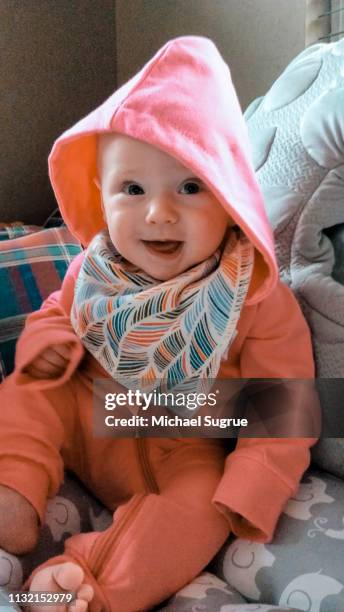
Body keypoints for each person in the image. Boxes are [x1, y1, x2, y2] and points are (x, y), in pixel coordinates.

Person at [0, 36, 318, 612]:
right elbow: (57, 314)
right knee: (26, 392)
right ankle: (13, 488)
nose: (158, 212)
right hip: (83, 414)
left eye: (191, 188)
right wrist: (46, 346)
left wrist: (255, 480)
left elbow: (287, 402)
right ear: (102, 195)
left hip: (185, 443)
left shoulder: (256, 297)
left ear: (230, 199)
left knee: (203, 511)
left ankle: (88, 585)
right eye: (133, 189)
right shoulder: (92, 270)